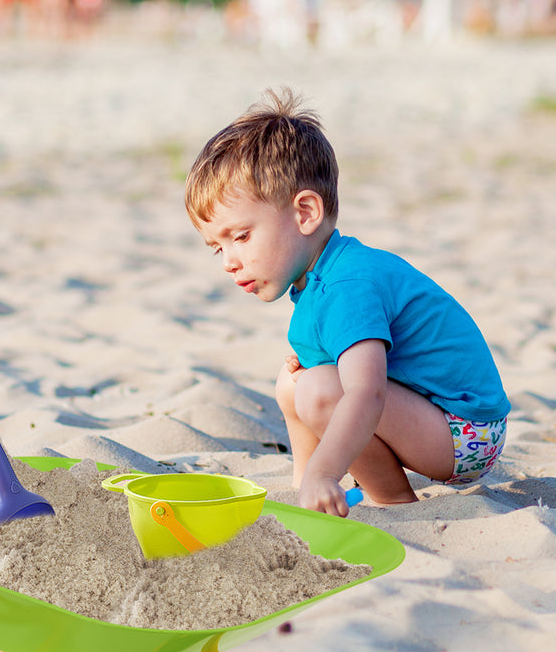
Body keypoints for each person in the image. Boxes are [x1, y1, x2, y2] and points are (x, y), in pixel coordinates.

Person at [185, 88, 510, 516]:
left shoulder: (347, 284)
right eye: (217, 247)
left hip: (468, 432)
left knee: (320, 390)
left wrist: (328, 471)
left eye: (241, 236)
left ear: (305, 213)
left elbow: (367, 393)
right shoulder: (318, 275)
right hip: (431, 416)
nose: (229, 261)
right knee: (294, 382)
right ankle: (305, 486)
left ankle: (391, 500)